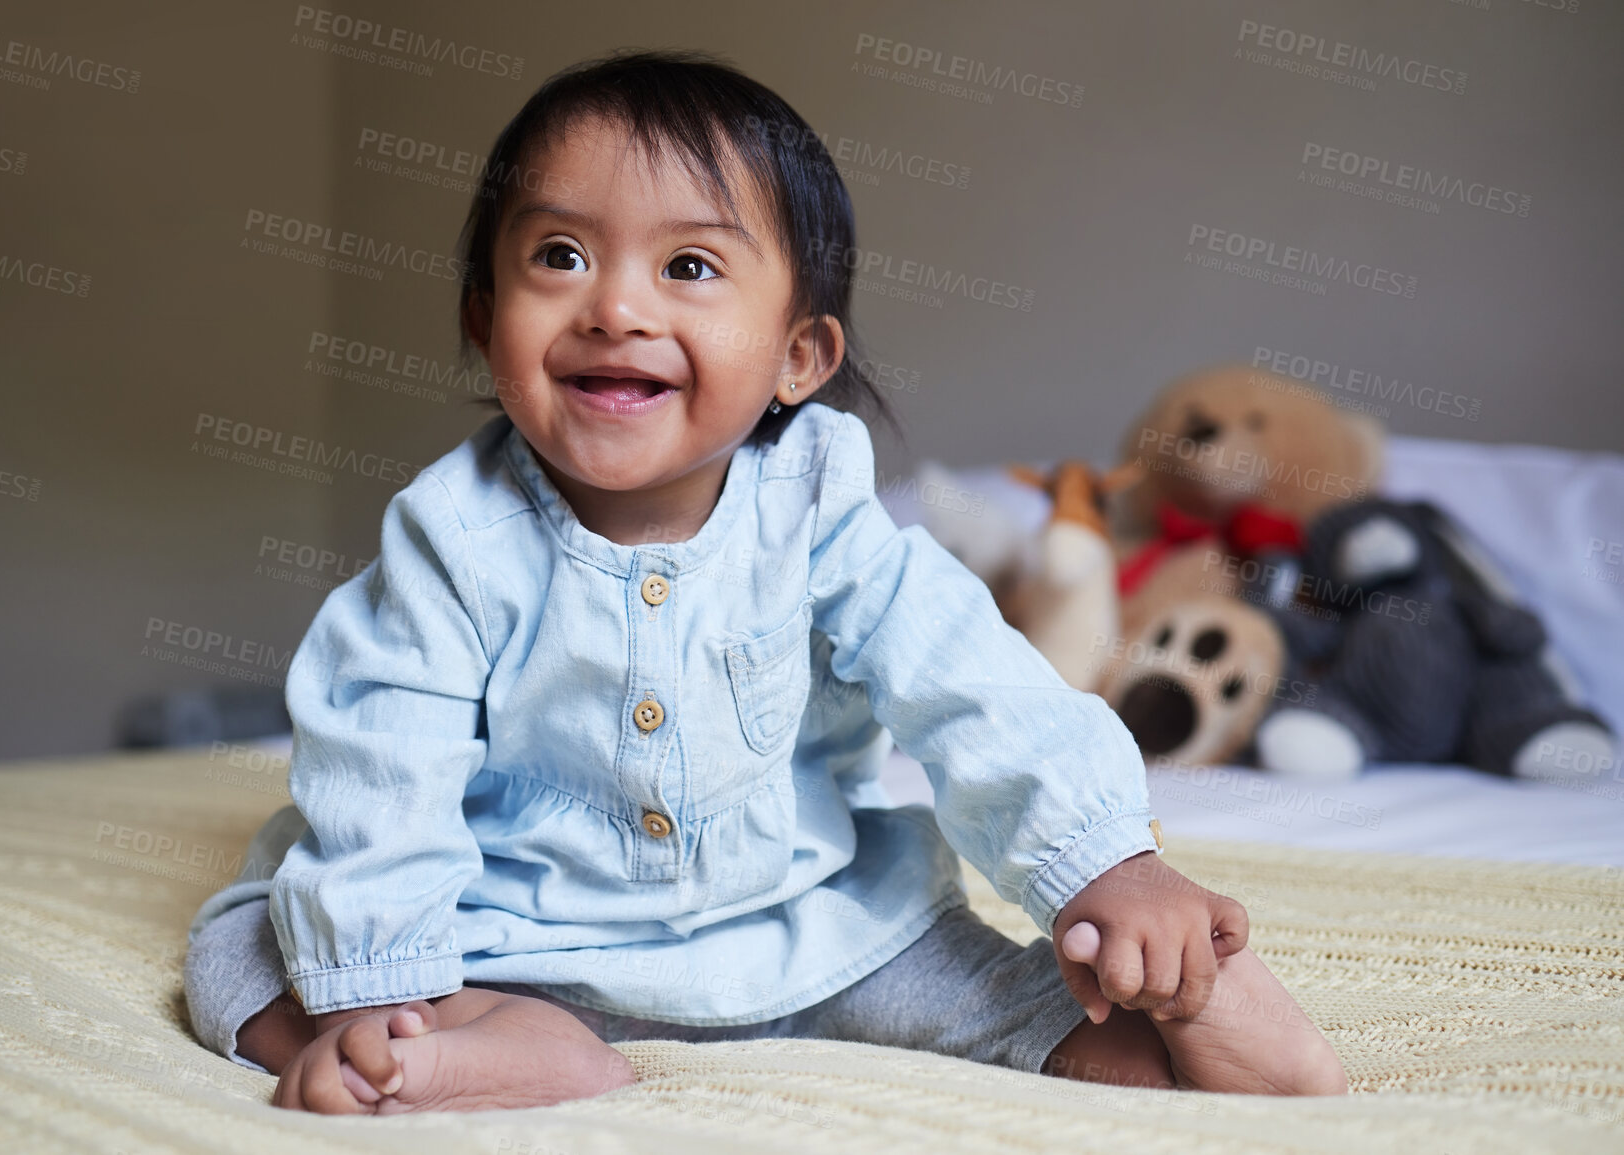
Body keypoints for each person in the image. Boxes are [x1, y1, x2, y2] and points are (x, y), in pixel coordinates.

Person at [182, 48, 1347, 1115]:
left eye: (689, 265)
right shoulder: (455, 537)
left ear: (799, 358)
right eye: (559, 255)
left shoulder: (823, 516)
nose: (616, 306)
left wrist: (1108, 863)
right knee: (247, 948)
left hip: (814, 922)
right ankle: (479, 1046)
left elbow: (973, 684)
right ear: (486, 322)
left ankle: (1186, 1003)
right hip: (509, 936)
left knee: (1045, 1002)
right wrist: (375, 983)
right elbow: (381, 760)